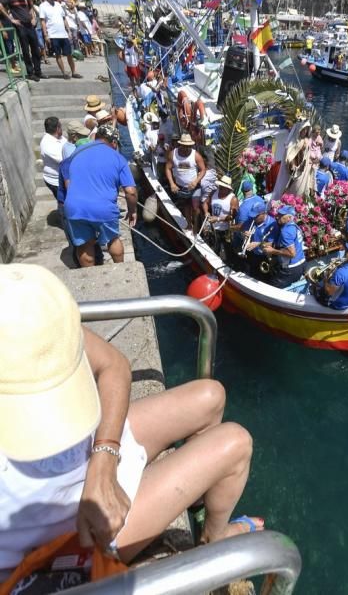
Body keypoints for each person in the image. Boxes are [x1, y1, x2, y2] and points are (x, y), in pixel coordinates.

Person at [0, 264, 262, 581]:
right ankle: (212, 540)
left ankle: (194, 496)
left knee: (210, 395)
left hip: (91, 457)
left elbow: (113, 364)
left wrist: (104, 460)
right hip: (70, 529)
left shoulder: (26, 319)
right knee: (235, 443)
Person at [64, 123, 137, 267]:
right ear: (114, 142)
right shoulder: (117, 158)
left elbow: (69, 180)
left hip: (74, 206)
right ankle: (120, 270)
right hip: (103, 208)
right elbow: (130, 191)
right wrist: (133, 211)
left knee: (85, 245)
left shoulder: (76, 152)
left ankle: (91, 278)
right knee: (113, 240)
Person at [0, 0, 43, 80]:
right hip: (21, 26)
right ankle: (30, 72)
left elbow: (30, 5)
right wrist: (11, 19)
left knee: (36, 49)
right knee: (25, 50)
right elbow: (0, 6)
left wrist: (32, 17)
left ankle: (38, 71)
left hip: (30, 25)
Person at [165, 133, 206, 234]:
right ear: (180, 144)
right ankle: (189, 224)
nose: (187, 148)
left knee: (195, 207)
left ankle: (196, 227)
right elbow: (167, 168)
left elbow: (203, 169)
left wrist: (196, 181)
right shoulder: (173, 154)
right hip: (181, 187)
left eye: (189, 146)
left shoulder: (195, 155)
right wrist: (172, 183)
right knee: (186, 206)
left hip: (195, 186)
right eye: (185, 146)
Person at [39, 0, 82, 80]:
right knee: (58, 55)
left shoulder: (58, 5)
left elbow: (64, 18)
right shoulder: (42, 6)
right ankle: (64, 73)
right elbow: (42, 21)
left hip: (63, 34)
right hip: (53, 34)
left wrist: (68, 31)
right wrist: (46, 35)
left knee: (69, 54)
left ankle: (73, 72)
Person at [262, 205, 306, 288]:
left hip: (291, 268)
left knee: (272, 287)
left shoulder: (286, 231)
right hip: (301, 264)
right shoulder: (294, 226)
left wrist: (272, 251)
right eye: (278, 214)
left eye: (281, 215)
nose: (277, 217)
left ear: (289, 218)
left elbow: (291, 253)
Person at [243, 199, 276, 279]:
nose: (253, 218)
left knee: (261, 278)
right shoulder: (253, 220)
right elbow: (246, 231)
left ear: (263, 213)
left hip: (264, 256)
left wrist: (258, 244)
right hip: (253, 253)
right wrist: (245, 234)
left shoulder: (272, 224)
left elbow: (272, 244)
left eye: (256, 216)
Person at [209, 175, 239, 258]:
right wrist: (206, 212)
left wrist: (218, 219)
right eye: (220, 186)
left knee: (228, 251)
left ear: (228, 188)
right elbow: (205, 203)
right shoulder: (214, 193)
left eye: (223, 186)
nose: (221, 187)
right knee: (214, 248)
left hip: (226, 230)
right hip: (213, 228)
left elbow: (232, 216)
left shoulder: (233, 199)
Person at [231, 180, 264, 251]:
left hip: (246, 237)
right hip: (258, 233)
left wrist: (230, 228)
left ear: (242, 190)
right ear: (252, 189)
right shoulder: (260, 199)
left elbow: (240, 226)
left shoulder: (243, 207)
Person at [40, 116, 67, 198]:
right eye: (60, 126)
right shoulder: (47, 144)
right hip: (56, 182)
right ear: (57, 128)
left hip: (62, 178)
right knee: (63, 204)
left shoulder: (60, 137)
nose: (62, 128)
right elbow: (64, 160)